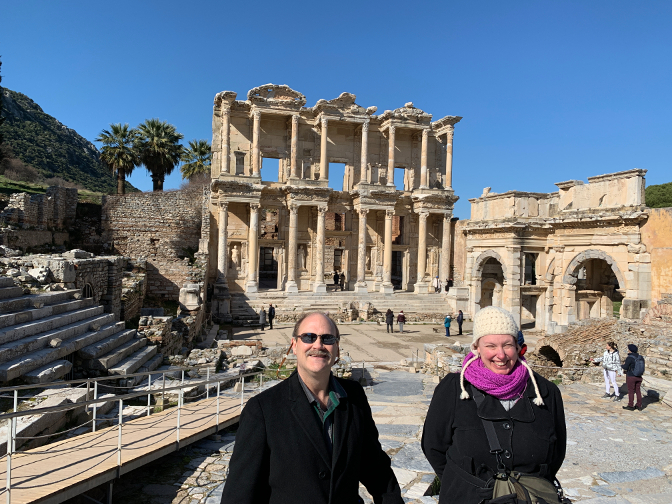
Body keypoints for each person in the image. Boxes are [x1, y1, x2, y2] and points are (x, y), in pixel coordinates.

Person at [220, 312, 404, 504]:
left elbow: (377, 470)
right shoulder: (262, 410)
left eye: (327, 338)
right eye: (309, 337)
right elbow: (239, 494)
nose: (318, 345)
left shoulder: (354, 397)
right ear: (294, 346)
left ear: (337, 349)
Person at [422, 306, 566, 504]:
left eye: (507, 345)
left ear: (517, 346)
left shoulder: (546, 392)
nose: (501, 355)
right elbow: (433, 446)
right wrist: (463, 483)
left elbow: (556, 454)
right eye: (490, 346)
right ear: (477, 348)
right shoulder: (455, 389)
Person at [622, 344, 644, 411]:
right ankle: (639, 405)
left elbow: (625, 367)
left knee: (631, 391)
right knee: (638, 391)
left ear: (630, 350)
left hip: (631, 376)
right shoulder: (641, 357)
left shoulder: (630, 358)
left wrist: (621, 366)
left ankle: (630, 405)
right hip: (639, 376)